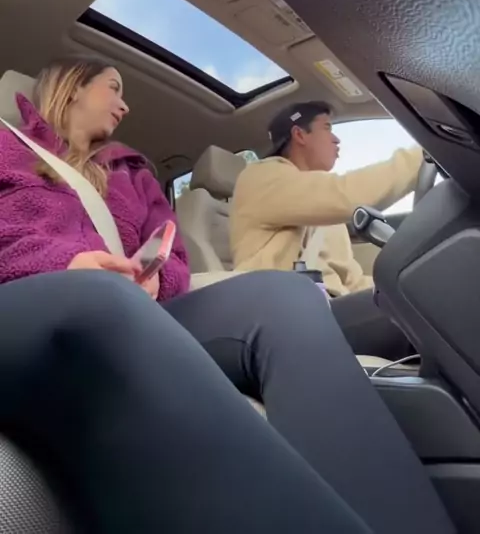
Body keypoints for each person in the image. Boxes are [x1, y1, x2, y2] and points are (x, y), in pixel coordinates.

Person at [0, 58, 453, 532]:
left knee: (282, 295)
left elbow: (172, 252)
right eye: (113, 88)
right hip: (31, 300)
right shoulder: (8, 147)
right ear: (73, 87)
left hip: (131, 304)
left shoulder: (133, 174)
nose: (125, 104)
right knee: (101, 299)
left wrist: (156, 277)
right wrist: (64, 264)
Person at [231, 101, 423, 360]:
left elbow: (350, 279)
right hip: (287, 317)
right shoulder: (260, 178)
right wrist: (423, 156)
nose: (336, 139)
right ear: (299, 134)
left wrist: (400, 286)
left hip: (329, 308)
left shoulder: (318, 205)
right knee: (427, 310)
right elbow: (347, 194)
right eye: (327, 128)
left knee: (426, 296)